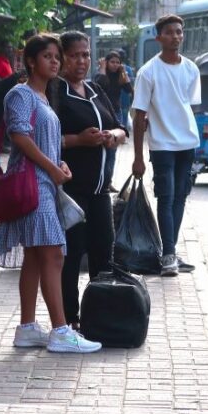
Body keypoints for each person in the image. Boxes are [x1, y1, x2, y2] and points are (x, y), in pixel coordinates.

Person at [0, 34, 101, 354]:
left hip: (46, 184)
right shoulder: (21, 95)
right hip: (34, 185)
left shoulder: (42, 97)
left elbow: (44, 142)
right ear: (30, 61)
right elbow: (20, 137)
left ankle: (27, 327)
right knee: (53, 255)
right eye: (47, 57)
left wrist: (59, 165)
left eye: (57, 57)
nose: (55, 61)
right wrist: (52, 169)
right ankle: (60, 330)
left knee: (37, 258)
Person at [50, 31, 127, 327]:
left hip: (100, 192)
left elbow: (120, 127)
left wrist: (113, 136)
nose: (81, 61)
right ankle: (69, 320)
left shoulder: (95, 88)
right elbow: (43, 141)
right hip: (71, 192)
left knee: (103, 254)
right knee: (70, 260)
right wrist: (78, 140)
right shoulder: (55, 92)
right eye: (74, 55)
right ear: (62, 58)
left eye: (85, 55)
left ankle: (100, 314)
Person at [131, 14, 200, 277]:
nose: (176, 37)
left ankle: (169, 249)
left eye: (179, 32)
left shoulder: (191, 69)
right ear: (158, 37)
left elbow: (189, 105)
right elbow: (139, 116)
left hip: (187, 143)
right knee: (166, 197)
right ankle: (169, 255)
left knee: (180, 197)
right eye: (170, 32)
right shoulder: (148, 72)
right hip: (161, 145)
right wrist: (138, 157)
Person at [94, 50, 133, 191]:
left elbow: (129, 89)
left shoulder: (120, 75)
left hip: (116, 114)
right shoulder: (101, 74)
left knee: (112, 149)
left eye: (118, 62)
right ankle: (100, 180)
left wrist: (124, 72)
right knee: (101, 148)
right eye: (112, 62)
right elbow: (100, 85)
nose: (115, 65)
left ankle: (108, 181)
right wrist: (103, 68)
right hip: (102, 113)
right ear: (106, 62)